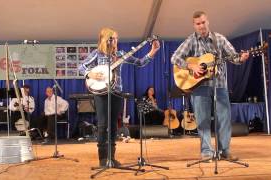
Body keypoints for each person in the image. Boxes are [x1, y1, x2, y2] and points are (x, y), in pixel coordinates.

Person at [171, 11, 249, 162]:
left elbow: (234, 57)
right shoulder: (191, 40)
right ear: (194, 25)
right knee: (202, 120)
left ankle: (224, 150)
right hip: (199, 87)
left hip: (219, 85)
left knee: (224, 119)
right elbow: (175, 58)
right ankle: (207, 152)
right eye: (198, 24)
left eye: (203, 22)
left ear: (208, 22)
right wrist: (191, 66)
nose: (201, 26)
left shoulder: (219, 39)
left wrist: (242, 58)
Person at [78, 27, 160, 167]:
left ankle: (112, 157)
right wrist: (90, 74)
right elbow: (81, 67)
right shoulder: (97, 54)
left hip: (117, 93)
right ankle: (103, 159)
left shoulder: (121, 54)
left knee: (114, 126)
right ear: (105, 39)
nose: (116, 41)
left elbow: (139, 62)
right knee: (103, 125)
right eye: (113, 38)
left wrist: (152, 51)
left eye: (116, 38)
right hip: (101, 94)